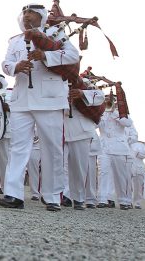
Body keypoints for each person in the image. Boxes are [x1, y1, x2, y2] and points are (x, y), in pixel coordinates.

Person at [0, 3, 80, 211]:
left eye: (31, 13)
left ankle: (52, 196)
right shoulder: (15, 41)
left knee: (52, 149)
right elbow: (6, 64)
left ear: (41, 16)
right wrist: (16, 67)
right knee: (17, 148)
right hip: (22, 99)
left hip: (50, 99)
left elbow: (73, 56)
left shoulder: (54, 34)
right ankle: (13, 194)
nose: (27, 16)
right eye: (24, 13)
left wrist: (46, 56)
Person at [61, 80, 105, 210]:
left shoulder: (82, 82)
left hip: (81, 130)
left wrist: (82, 93)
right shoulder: (55, 79)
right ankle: (63, 195)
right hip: (61, 128)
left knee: (79, 167)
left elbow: (100, 96)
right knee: (59, 165)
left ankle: (79, 198)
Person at [99, 94, 135, 209]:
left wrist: (115, 112)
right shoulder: (102, 113)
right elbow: (96, 125)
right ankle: (102, 199)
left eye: (110, 101)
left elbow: (127, 123)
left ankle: (124, 200)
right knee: (103, 172)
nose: (108, 103)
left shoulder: (122, 114)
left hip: (119, 148)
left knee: (120, 175)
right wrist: (100, 113)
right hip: (104, 147)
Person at [129, 133, 145, 209]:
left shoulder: (141, 145)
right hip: (128, 165)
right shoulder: (126, 142)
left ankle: (137, 203)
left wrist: (137, 154)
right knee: (128, 185)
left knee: (138, 186)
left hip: (139, 166)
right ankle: (128, 201)